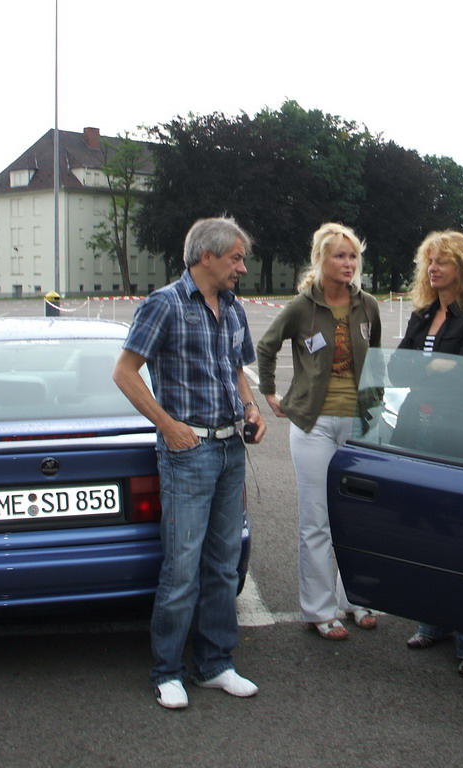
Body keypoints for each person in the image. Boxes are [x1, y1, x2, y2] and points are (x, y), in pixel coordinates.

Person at [113, 216, 266, 710]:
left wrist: (251, 408)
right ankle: (168, 671)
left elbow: (236, 369)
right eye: (236, 259)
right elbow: (125, 372)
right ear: (206, 256)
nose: (242, 268)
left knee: (223, 566)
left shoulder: (233, 307)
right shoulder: (165, 304)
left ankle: (215, 664)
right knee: (182, 568)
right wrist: (167, 425)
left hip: (230, 449)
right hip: (188, 453)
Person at [257, 222, 382, 641]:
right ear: (320, 260)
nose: (348, 263)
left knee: (358, 517)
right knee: (317, 520)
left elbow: (376, 359)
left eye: (353, 256)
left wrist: (378, 407)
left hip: (359, 423)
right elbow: (266, 347)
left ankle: (356, 599)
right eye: (339, 256)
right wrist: (270, 393)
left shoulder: (368, 305)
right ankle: (319, 609)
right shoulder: (301, 307)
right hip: (313, 425)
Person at [394, 230, 463, 677]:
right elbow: (396, 369)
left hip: (461, 436)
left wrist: (428, 369)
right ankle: (432, 623)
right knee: (426, 532)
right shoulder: (421, 316)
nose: (434, 269)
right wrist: (435, 365)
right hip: (417, 431)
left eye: (443, 262)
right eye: (430, 262)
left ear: (462, 268)